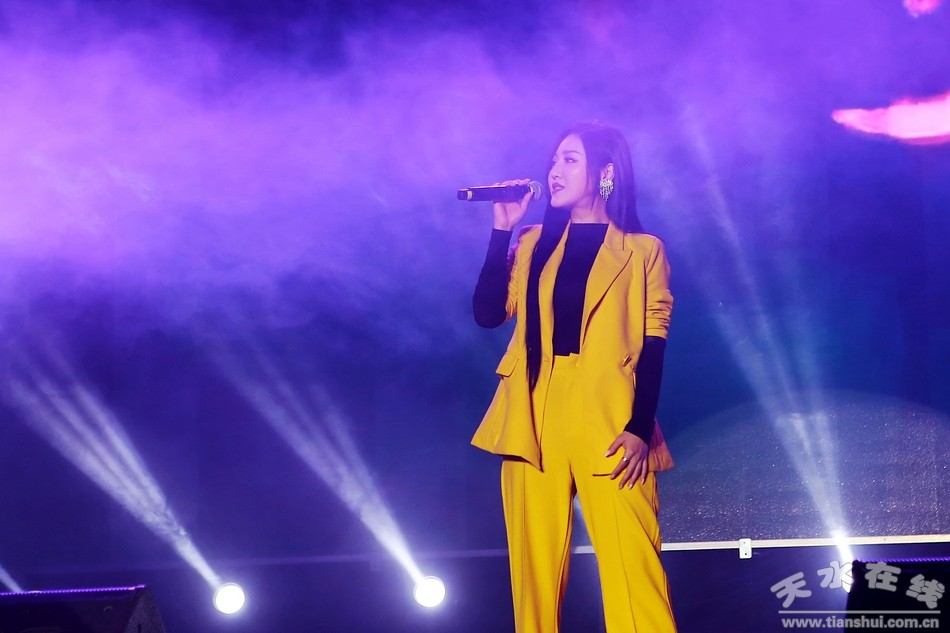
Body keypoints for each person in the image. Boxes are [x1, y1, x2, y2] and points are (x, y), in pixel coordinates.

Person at [471, 122, 677, 632]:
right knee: (534, 572)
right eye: (554, 160)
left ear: (605, 173)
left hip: (611, 417)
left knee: (634, 565)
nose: (554, 171)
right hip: (533, 411)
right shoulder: (534, 242)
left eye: (569, 160)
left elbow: (654, 345)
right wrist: (502, 231)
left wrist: (639, 427)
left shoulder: (642, 250)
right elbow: (488, 314)